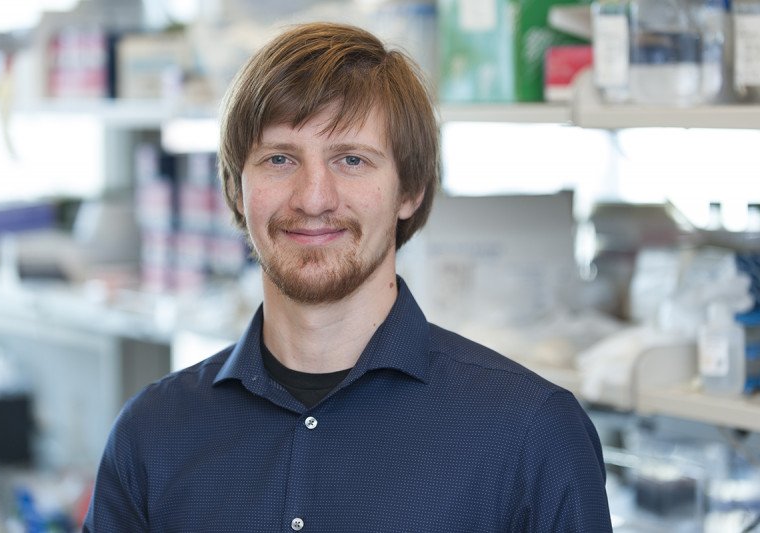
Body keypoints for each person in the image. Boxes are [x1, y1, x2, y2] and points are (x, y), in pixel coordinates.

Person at [84, 21, 612, 532]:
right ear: (235, 189)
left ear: (410, 191)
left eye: (352, 160)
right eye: (279, 159)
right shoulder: (151, 435)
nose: (314, 198)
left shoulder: (530, 433)